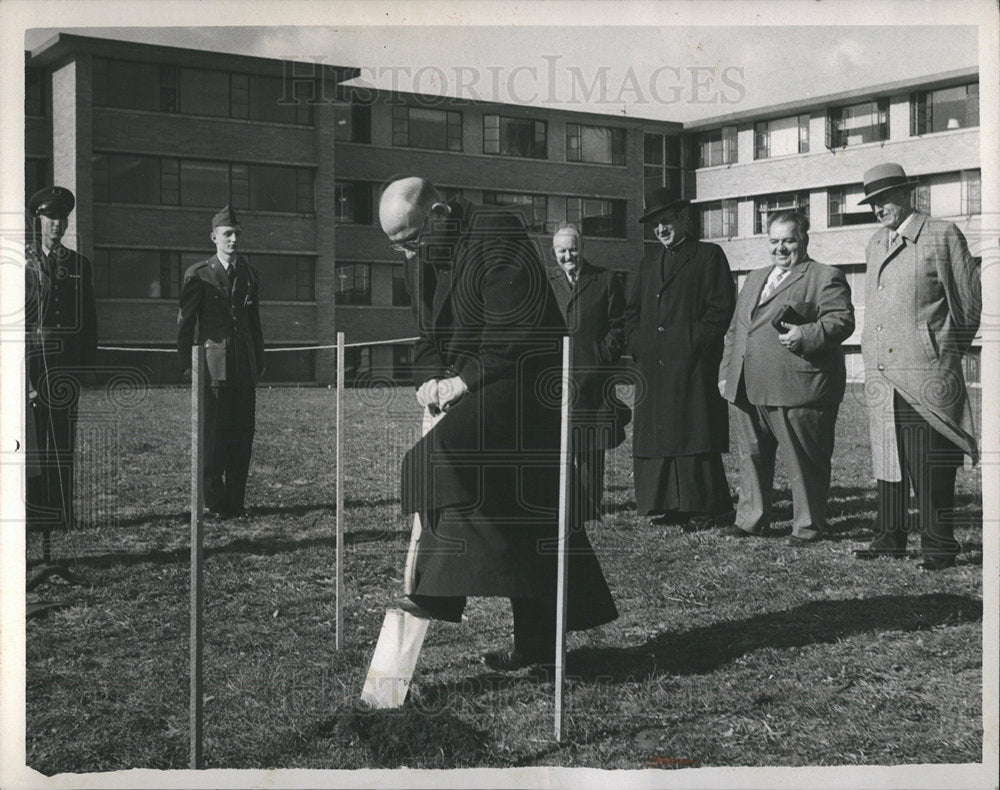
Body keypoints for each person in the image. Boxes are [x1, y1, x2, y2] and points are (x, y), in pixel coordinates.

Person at [380, 176, 617, 670]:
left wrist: (458, 384)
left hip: (525, 380)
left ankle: (440, 595)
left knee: (438, 458)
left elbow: (516, 332)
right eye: (398, 248)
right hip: (476, 386)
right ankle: (538, 648)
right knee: (525, 518)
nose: (409, 256)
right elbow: (425, 334)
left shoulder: (496, 231)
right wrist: (428, 380)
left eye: (413, 241)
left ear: (440, 214)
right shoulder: (419, 251)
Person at [852, 163, 981, 571]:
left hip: (926, 373)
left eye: (885, 199)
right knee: (888, 460)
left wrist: (939, 352)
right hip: (882, 376)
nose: (878, 208)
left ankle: (939, 546)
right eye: (872, 202)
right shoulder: (875, 243)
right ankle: (888, 537)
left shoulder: (941, 235)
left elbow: (969, 306)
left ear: (908, 194)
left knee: (931, 463)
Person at [719, 211, 855, 544]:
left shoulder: (825, 276)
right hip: (746, 385)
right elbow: (737, 330)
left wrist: (806, 334)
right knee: (751, 457)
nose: (781, 248)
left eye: (789, 240)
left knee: (805, 461)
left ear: (804, 240)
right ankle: (751, 519)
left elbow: (841, 320)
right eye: (774, 241)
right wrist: (726, 373)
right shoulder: (755, 277)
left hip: (799, 387)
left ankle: (808, 527)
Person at [623, 187, 736, 531]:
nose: (661, 229)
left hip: (692, 366)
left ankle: (703, 507)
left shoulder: (707, 255)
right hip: (655, 368)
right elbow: (631, 312)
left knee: (693, 436)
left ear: (683, 219)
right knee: (661, 437)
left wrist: (691, 342)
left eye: (667, 221)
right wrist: (640, 344)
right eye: (655, 225)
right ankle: (669, 504)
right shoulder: (648, 262)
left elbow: (720, 310)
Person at [177, 205, 265, 519]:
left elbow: (254, 322)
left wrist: (259, 359)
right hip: (213, 368)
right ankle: (212, 502)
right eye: (227, 234)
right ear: (213, 237)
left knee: (242, 436)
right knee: (214, 437)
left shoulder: (249, 274)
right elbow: (186, 323)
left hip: (243, 366)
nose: (233, 240)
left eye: (237, 234)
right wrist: (187, 362)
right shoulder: (199, 274)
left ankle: (235, 501)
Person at [25, 186, 98, 537]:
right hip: (33, 364)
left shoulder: (79, 264)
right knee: (35, 441)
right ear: (38, 220)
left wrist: (85, 369)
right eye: (51, 218)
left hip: (65, 366)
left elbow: (88, 321)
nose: (58, 225)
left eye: (63, 219)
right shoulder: (23, 263)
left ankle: (63, 514)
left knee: (63, 441)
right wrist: (20, 377)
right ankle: (37, 515)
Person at [546, 223, 629, 522]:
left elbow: (619, 325)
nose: (568, 255)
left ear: (583, 248)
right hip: (558, 378)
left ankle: (591, 507)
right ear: (554, 252)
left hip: (595, 378)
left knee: (592, 446)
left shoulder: (605, 279)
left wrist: (602, 356)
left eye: (573, 249)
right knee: (562, 446)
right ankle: (567, 505)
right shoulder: (547, 281)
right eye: (561, 251)